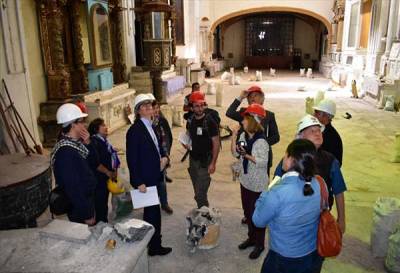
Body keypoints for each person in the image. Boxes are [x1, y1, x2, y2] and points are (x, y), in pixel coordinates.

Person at [253, 139, 324, 273]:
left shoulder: (277, 192)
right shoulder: (320, 183)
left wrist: (264, 193)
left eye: (285, 154)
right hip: (312, 254)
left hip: (283, 258)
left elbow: (258, 221)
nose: (283, 157)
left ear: (291, 160)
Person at [274, 115, 346, 234]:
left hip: (319, 217)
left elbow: (339, 190)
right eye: (312, 131)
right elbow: (275, 185)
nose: (317, 133)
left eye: (319, 130)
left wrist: (341, 219)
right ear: (301, 136)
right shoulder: (290, 159)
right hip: (294, 216)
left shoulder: (330, 160)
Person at [126, 94, 172, 256]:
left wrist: (164, 158)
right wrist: (138, 181)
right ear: (138, 111)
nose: (148, 108)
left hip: (154, 175)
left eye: (149, 105)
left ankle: (152, 244)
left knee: (152, 213)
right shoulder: (135, 130)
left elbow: (155, 146)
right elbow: (132, 159)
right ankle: (154, 246)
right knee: (153, 215)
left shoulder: (150, 126)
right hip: (145, 180)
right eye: (143, 106)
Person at [226, 85, 280, 223]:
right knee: (246, 189)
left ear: (262, 99)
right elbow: (229, 112)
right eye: (250, 97)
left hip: (261, 158)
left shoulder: (269, 115)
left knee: (260, 191)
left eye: (256, 96)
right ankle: (247, 214)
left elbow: (276, 136)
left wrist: (260, 143)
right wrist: (240, 97)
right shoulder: (245, 113)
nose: (252, 98)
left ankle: (260, 215)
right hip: (244, 156)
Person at [231, 103, 269, 259]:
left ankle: (259, 244)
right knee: (248, 212)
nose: (242, 122)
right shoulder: (243, 136)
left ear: (253, 120)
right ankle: (251, 238)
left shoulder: (261, 142)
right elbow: (235, 153)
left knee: (257, 216)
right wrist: (233, 137)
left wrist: (246, 155)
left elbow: (262, 162)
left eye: (245, 119)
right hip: (245, 180)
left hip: (258, 184)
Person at [51, 103, 96, 226]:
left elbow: (93, 163)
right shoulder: (66, 153)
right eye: (81, 121)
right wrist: (87, 214)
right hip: (79, 209)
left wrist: (88, 143)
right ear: (73, 124)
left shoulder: (76, 144)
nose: (84, 124)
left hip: (87, 200)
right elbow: (74, 188)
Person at [185, 91, 220, 208]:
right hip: (193, 160)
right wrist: (186, 143)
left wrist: (213, 163)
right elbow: (189, 134)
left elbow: (216, 143)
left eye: (202, 105)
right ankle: (202, 211)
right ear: (191, 107)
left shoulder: (210, 122)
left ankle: (204, 216)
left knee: (200, 193)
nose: (200, 109)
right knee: (197, 189)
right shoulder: (190, 120)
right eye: (196, 106)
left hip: (205, 162)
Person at [87, 118, 120, 223]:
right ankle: (102, 226)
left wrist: (114, 170)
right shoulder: (94, 142)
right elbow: (95, 163)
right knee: (100, 205)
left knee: (103, 203)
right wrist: (108, 172)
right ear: (96, 129)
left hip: (104, 179)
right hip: (98, 180)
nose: (106, 127)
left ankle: (103, 223)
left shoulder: (103, 141)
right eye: (103, 125)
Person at [151, 97, 174, 214]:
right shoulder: (147, 124)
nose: (155, 111)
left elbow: (168, 136)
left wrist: (167, 153)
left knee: (162, 182)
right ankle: (152, 205)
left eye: (157, 108)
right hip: (152, 159)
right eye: (153, 108)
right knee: (153, 183)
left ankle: (164, 204)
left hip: (163, 157)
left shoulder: (162, 121)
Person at [313, 99, 343, 166]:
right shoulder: (319, 129)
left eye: (317, 112)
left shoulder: (332, 138)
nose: (314, 114)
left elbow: (335, 165)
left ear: (325, 116)